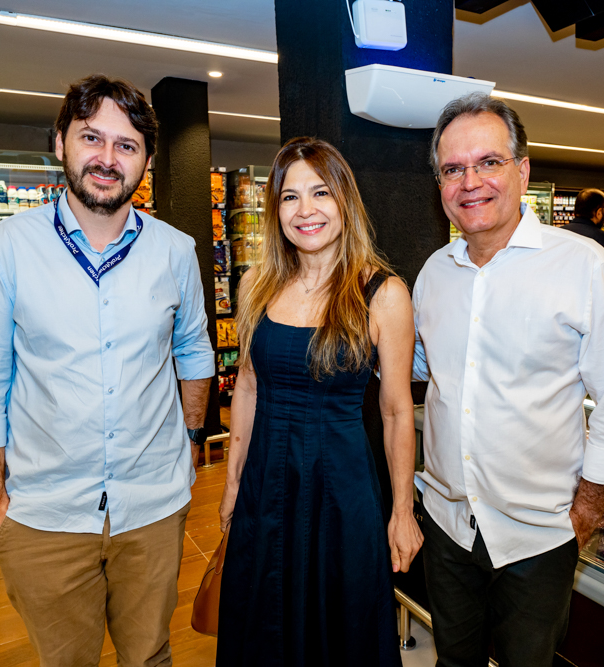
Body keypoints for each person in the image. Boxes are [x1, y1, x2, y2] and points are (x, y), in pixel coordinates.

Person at [0, 74, 214, 667]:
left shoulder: (174, 250)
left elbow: (194, 351)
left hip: (152, 504)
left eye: (126, 145)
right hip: (45, 510)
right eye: (91, 138)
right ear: (60, 143)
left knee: (149, 654)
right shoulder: (9, 246)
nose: (107, 158)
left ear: (146, 160)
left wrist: (191, 438)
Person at [413, 92, 604, 667]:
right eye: (453, 169)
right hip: (446, 524)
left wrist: (588, 508)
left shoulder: (583, 265)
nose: (470, 182)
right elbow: (425, 371)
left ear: (522, 170)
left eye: (488, 162)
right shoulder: (434, 274)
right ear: (440, 184)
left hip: (539, 535)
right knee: (454, 660)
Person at [215, 137, 422, 666]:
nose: (305, 210)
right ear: (275, 209)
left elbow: (397, 411)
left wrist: (403, 510)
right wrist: (234, 482)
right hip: (265, 482)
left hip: (341, 487)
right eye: (289, 197)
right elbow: (249, 386)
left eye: (320, 193)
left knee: (342, 621)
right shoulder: (256, 286)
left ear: (344, 202)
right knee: (263, 614)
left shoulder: (384, 293)